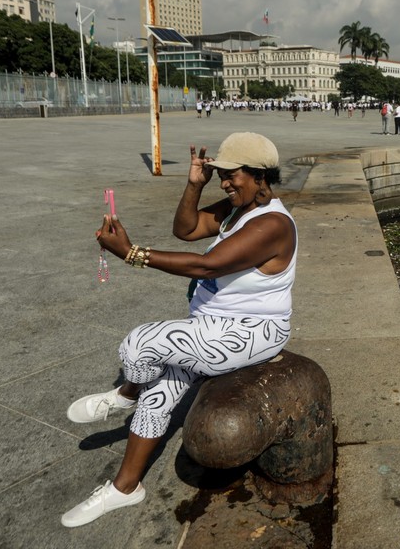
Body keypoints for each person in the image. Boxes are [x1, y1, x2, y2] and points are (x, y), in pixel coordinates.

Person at [61, 132, 297, 528]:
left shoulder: (272, 222)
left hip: (252, 331)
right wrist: (192, 186)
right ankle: (125, 488)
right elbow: (186, 230)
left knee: (140, 343)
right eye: (219, 174)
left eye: (231, 174)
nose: (224, 181)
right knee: (160, 394)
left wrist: (133, 255)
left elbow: (208, 265)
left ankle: (124, 393)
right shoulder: (238, 207)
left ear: (259, 175)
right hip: (210, 327)